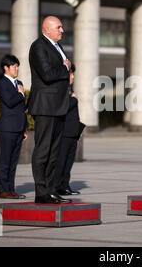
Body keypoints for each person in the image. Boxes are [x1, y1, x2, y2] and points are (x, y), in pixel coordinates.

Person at [28, 16, 72, 204]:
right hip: (45, 105)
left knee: (55, 151)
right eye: (58, 27)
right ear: (46, 29)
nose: (62, 30)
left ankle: (51, 189)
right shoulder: (39, 46)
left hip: (58, 105)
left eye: (62, 27)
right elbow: (47, 74)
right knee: (43, 149)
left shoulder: (57, 46)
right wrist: (65, 68)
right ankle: (41, 191)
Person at [0, 54, 27, 199]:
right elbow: (9, 101)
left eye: (17, 65)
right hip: (7, 128)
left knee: (13, 161)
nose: (17, 68)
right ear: (6, 68)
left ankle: (11, 189)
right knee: (5, 160)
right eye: (14, 66)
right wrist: (20, 94)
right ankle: (4, 189)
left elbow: (21, 107)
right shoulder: (2, 83)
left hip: (18, 127)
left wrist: (24, 127)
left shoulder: (18, 82)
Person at [54, 64, 85, 196]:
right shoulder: (61, 89)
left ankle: (65, 185)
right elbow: (63, 106)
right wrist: (74, 100)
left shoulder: (69, 89)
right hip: (64, 132)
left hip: (73, 132)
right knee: (61, 161)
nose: (73, 77)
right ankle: (56, 186)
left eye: (73, 74)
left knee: (69, 162)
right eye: (71, 74)